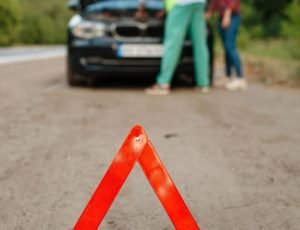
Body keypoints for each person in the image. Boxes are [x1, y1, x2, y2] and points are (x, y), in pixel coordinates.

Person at [138, 0, 209, 95]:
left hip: (181, 4)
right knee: (200, 44)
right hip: (199, 3)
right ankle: (203, 84)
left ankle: (163, 84)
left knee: (172, 44)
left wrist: (141, 7)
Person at [206, 0, 247, 90]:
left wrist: (227, 15)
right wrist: (208, 14)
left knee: (230, 47)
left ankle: (240, 78)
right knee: (226, 48)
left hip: (231, 16)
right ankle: (227, 76)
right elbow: (214, 2)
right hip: (222, 16)